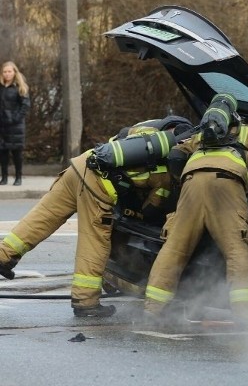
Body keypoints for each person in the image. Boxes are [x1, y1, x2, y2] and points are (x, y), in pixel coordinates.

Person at [0, 116, 189, 317]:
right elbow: (152, 207)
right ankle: (86, 302)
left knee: (41, 219)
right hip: (98, 185)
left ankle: (3, 256)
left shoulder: (145, 135)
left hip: (80, 166)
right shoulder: (169, 170)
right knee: (95, 241)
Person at [143, 93, 248, 326]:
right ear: (235, 114)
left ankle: (153, 310)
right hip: (227, 184)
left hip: (192, 182)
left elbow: (174, 156)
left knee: (174, 248)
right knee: (237, 251)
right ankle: (245, 315)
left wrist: (182, 182)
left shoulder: (200, 134)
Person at [0, 61, 30, 186]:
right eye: (5, 72)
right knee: (3, 153)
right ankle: (4, 177)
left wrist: (15, 118)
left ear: (14, 72)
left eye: (9, 71)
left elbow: (25, 105)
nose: (7, 74)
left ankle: (18, 177)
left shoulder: (20, 87)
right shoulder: (1, 87)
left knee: (17, 153)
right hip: (2, 126)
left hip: (15, 126)